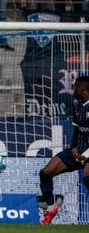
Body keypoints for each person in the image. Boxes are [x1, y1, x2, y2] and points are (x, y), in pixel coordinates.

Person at [39, 76, 89, 225]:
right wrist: (74, 148)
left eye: (75, 87)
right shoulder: (78, 105)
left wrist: (85, 156)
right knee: (45, 172)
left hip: (88, 154)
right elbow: (77, 130)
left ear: (83, 89)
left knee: (87, 178)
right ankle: (50, 208)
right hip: (77, 151)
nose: (73, 90)